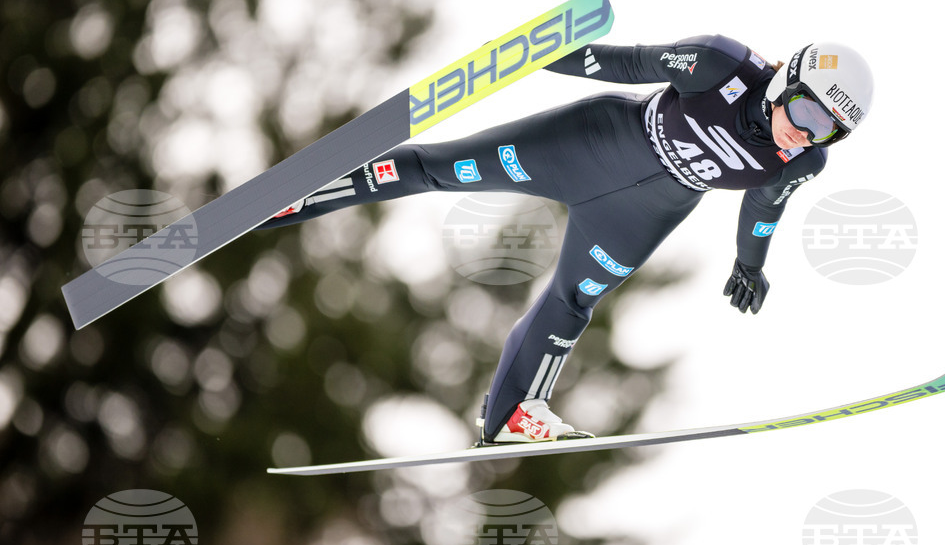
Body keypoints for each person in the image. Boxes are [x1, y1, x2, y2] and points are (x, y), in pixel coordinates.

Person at [258, 34, 875, 445]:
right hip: (590, 146)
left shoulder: (800, 162)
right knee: (436, 167)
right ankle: (298, 195)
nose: (808, 135)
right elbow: (627, 63)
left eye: (830, 132)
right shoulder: (720, 65)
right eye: (808, 114)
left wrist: (750, 263)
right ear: (783, 82)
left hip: (641, 214)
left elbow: (762, 208)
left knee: (574, 300)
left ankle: (513, 414)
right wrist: (537, 53)